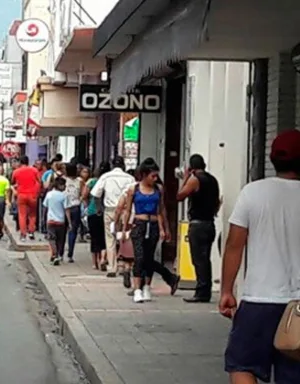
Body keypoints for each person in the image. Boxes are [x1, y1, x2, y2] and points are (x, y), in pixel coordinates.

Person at [220, 130, 300, 384]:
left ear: (272, 158)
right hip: (298, 306)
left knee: (242, 365)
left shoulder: (252, 193)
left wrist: (226, 290)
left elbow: (234, 245)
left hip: (259, 301)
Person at [120, 159, 169, 303]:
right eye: (152, 176)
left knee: (149, 257)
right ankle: (137, 289)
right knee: (139, 257)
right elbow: (128, 210)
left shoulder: (158, 189)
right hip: (139, 224)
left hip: (153, 224)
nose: (155, 179)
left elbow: (160, 210)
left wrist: (163, 228)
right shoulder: (133, 189)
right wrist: (124, 229)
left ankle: (147, 286)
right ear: (144, 175)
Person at [177, 154, 220, 303]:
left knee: (198, 259)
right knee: (205, 258)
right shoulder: (213, 180)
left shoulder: (195, 180)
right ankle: (204, 289)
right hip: (209, 223)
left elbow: (180, 196)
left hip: (198, 224)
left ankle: (202, 292)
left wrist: (186, 178)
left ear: (191, 168)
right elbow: (217, 201)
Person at [90, 156, 135, 278]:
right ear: (123, 165)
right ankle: (123, 265)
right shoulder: (130, 178)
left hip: (110, 211)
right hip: (126, 210)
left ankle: (112, 268)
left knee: (110, 239)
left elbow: (95, 193)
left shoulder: (106, 177)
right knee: (124, 237)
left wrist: (99, 208)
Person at [83, 163, 110, 270]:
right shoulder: (109, 181)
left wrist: (87, 205)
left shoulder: (92, 182)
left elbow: (84, 195)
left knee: (94, 237)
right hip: (106, 211)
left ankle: (95, 263)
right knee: (104, 237)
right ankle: (103, 258)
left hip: (93, 211)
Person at [12, 156, 40, 241]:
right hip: (32, 195)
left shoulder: (16, 171)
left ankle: (23, 234)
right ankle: (31, 232)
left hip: (21, 195)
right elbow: (39, 181)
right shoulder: (34, 170)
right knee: (32, 214)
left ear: (20, 162)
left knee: (22, 215)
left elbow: (13, 181)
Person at [43, 177, 68, 266]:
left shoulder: (49, 194)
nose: (65, 187)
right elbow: (66, 210)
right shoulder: (63, 196)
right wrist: (69, 221)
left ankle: (54, 254)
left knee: (51, 238)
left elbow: (45, 207)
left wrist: (44, 218)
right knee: (60, 239)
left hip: (50, 220)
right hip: (61, 221)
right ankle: (58, 254)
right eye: (63, 185)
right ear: (60, 186)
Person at [63, 162, 84, 262]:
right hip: (75, 207)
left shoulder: (63, 180)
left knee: (62, 230)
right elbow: (83, 194)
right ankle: (70, 254)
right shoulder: (80, 181)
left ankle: (60, 252)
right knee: (73, 231)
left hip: (63, 206)